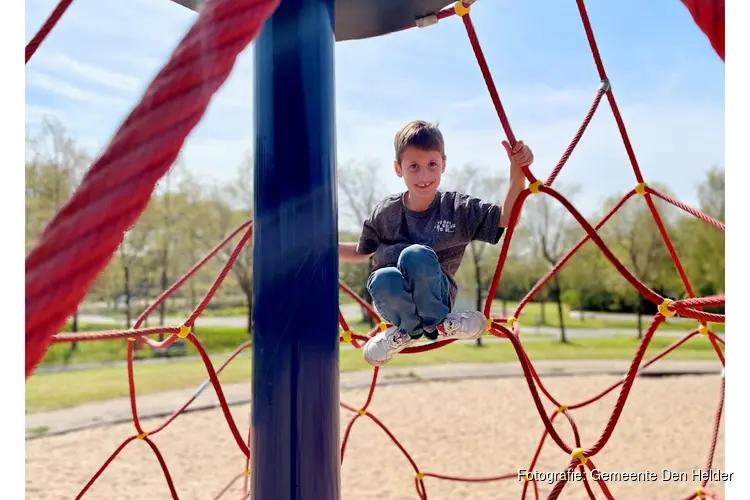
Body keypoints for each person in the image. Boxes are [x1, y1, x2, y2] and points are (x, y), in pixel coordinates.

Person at [339, 120, 534, 366]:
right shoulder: (386, 212)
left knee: (415, 256)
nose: (424, 176)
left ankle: (441, 322)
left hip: (437, 296)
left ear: (443, 164)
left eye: (432, 164)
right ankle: (405, 331)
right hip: (396, 303)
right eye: (414, 166)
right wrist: (326, 250)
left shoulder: (457, 209)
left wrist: (517, 169)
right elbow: (362, 251)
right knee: (381, 277)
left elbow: (506, 217)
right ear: (399, 169)